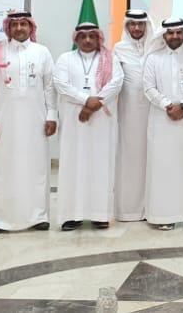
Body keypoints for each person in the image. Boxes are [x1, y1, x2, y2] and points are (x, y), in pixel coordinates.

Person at [0, 11, 57, 236]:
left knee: (36, 168)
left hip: (36, 122)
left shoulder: (42, 52)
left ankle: (38, 216)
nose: (20, 28)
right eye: (15, 24)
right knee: (2, 168)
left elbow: (49, 87)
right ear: (9, 28)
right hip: (4, 122)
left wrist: (52, 115)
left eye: (24, 24)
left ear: (31, 27)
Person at [54, 22, 124, 231]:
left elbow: (116, 83)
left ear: (98, 38)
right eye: (82, 36)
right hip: (73, 122)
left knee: (100, 165)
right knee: (72, 165)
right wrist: (86, 100)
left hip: (101, 121)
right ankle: (71, 215)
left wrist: (95, 103)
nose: (87, 40)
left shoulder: (110, 59)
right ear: (76, 39)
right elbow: (61, 84)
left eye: (91, 36)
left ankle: (99, 214)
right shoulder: (65, 59)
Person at [143, 18, 183, 230]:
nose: (175, 36)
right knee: (164, 167)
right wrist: (167, 105)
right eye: (170, 33)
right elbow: (148, 87)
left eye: (179, 32)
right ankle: (165, 216)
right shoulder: (153, 58)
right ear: (163, 35)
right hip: (162, 121)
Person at [113, 9, 153, 222]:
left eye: (141, 24)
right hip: (129, 113)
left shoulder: (156, 47)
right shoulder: (119, 49)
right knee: (130, 157)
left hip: (155, 112)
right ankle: (129, 209)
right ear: (127, 26)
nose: (137, 28)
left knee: (153, 157)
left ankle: (153, 208)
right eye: (132, 24)